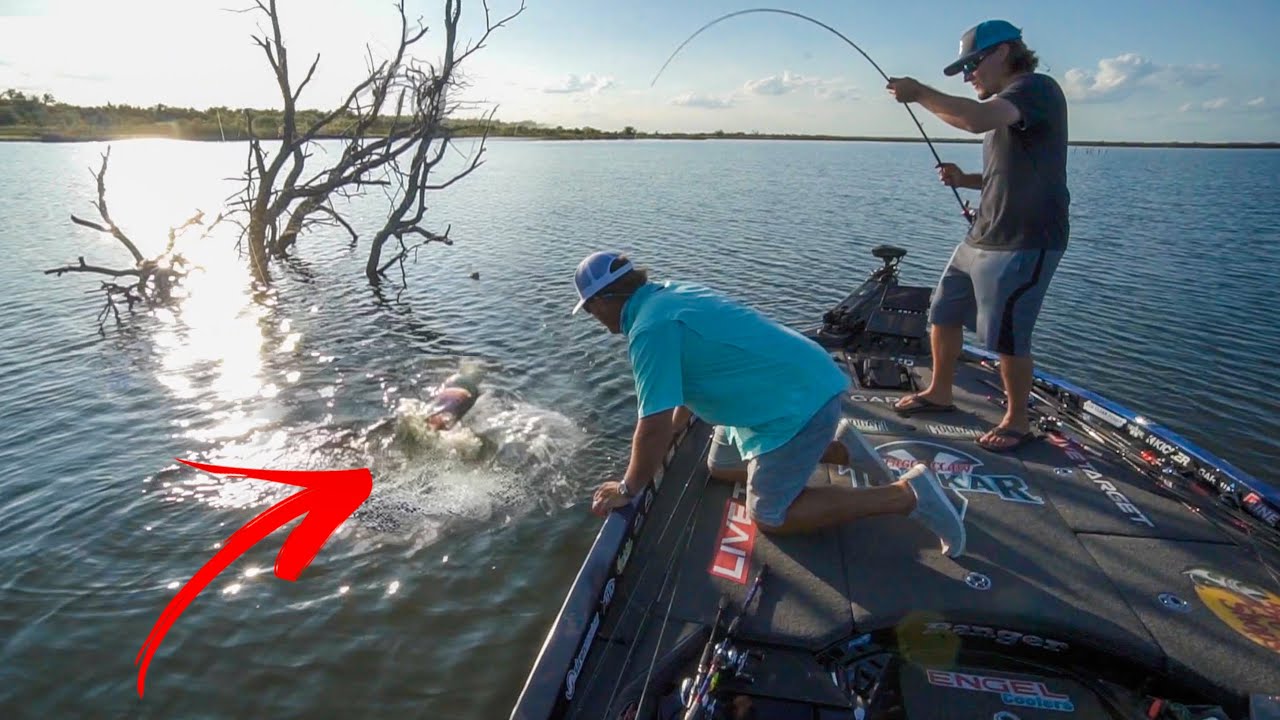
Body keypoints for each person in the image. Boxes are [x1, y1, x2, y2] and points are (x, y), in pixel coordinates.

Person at [573, 250, 966, 558]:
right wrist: (677, 424)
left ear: (607, 300)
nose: (592, 317)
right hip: (793, 382)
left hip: (794, 405)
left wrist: (629, 486)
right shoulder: (669, 293)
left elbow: (653, 423)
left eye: (589, 308)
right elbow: (695, 370)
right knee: (723, 467)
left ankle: (907, 495)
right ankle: (842, 449)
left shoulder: (648, 329)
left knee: (770, 515)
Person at [885, 19, 1069, 453]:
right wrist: (967, 179)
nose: (969, 75)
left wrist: (920, 93)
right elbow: (1006, 172)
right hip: (982, 235)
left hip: (1026, 239)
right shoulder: (1006, 106)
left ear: (1003, 53)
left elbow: (973, 119)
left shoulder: (1034, 88)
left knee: (1007, 334)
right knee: (942, 312)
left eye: (973, 64)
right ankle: (940, 392)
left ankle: (1017, 420)